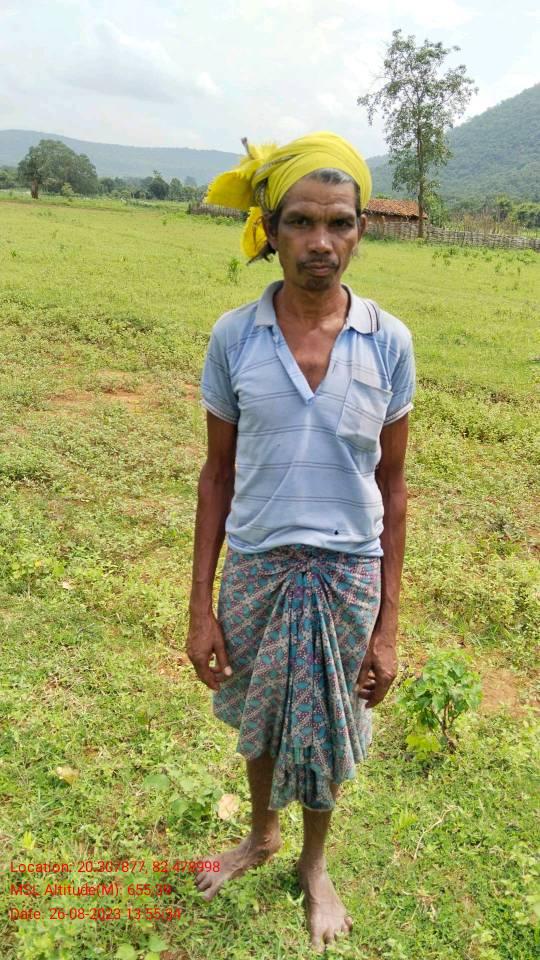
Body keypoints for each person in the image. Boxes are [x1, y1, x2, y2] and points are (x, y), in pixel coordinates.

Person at [187, 131, 416, 952]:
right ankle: (261, 833)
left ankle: (314, 863)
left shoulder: (388, 341)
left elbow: (393, 486)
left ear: (361, 231)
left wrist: (388, 627)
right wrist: (200, 608)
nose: (322, 242)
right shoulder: (235, 338)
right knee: (261, 713)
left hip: (348, 575)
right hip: (258, 567)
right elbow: (217, 476)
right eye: (302, 222)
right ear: (271, 229)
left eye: (339, 223)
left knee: (324, 721)